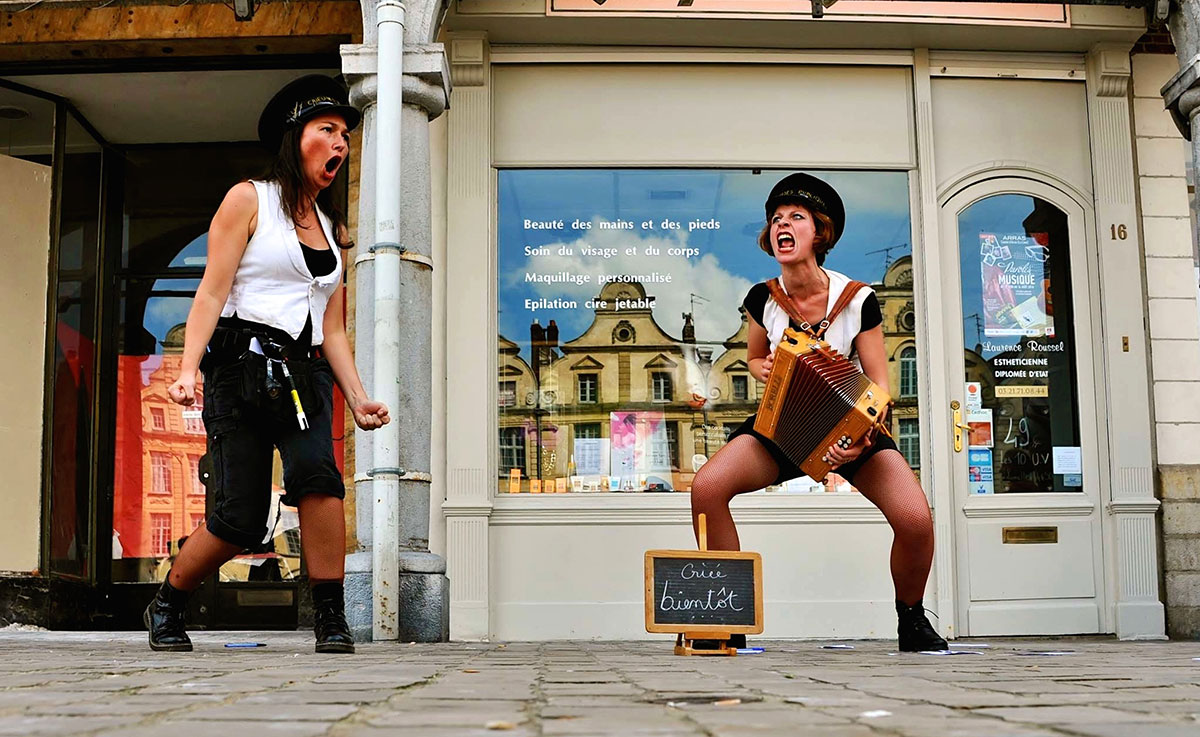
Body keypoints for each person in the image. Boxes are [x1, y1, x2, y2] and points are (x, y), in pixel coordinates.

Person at [147, 75, 390, 654]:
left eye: (345, 135)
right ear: (294, 137)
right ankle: (168, 602)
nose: (340, 144)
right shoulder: (248, 199)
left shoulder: (334, 231)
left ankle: (331, 617)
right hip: (238, 366)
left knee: (320, 479)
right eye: (326, 130)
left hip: (302, 372)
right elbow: (210, 291)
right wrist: (187, 370)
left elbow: (332, 328)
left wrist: (358, 398)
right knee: (240, 516)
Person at [689, 173, 948, 652]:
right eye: (776, 219)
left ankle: (911, 618)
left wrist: (864, 436)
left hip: (850, 432)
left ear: (819, 233)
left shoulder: (858, 300)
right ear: (771, 238)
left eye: (796, 217)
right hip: (781, 427)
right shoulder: (761, 298)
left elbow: (879, 386)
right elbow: (753, 357)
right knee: (707, 487)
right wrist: (761, 365)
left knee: (915, 521)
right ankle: (728, 617)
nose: (782, 224)